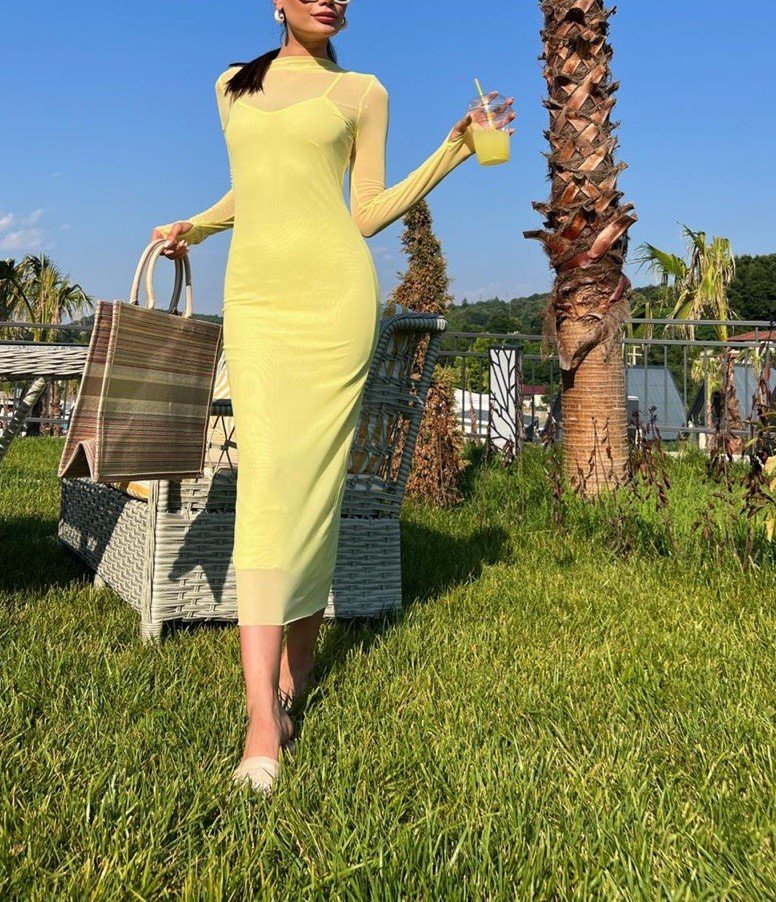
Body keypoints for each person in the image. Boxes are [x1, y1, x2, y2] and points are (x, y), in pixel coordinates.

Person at [152, 0, 516, 793]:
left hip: (334, 304)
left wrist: (456, 148)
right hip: (256, 302)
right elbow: (251, 190)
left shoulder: (363, 93)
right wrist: (194, 228)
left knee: (315, 490)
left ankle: (299, 669)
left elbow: (366, 213)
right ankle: (261, 717)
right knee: (266, 485)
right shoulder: (232, 86)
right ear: (276, 4)